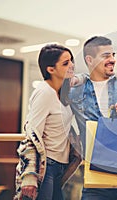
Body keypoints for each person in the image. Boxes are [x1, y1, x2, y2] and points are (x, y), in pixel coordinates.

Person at [69, 36, 117, 200]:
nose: (112, 60)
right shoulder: (74, 91)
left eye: (113, 55)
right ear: (90, 60)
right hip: (95, 179)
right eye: (106, 56)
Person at [14, 44, 82, 200]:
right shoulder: (44, 92)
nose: (71, 65)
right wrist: (29, 176)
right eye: (65, 63)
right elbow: (31, 133)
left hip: (60, 166)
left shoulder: (62, 92)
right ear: (51, 69)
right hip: (45, 167)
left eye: (71, 61)